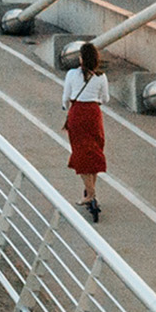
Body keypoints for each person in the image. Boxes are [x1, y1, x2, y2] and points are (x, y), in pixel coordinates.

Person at [62, 41, 108, 222]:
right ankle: (91, 192)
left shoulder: (72, 74)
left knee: (80, 153)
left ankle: (90, 194)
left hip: (77, 113)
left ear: (81, 59)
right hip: (93, 115)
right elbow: (105, 98)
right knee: (94, 151)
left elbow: (66, 98)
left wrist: (68, 110)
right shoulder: (101, 77)